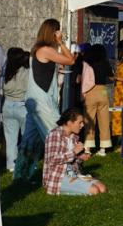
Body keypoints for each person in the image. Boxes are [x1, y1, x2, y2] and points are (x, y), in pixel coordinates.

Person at [16, 19, 78, 183]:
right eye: (58, 31)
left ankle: (21, 176)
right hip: (41, 101)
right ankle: (66, 174)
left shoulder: (38, 49)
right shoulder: (45, 50)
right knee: (58, 135)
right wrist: (61, 42)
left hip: (34, 99)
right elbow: (71, 60)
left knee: (30, 140)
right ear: (53, 32)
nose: (60, 33)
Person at [42, 107, 105, 196]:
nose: (82, 125)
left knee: (102, 188)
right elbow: (52, 160)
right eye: (80, 122)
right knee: (94, 191)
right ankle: (58, 190)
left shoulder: (74, 137)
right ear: (69, 122)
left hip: (73, 174)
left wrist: (80, 157)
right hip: (58, 176)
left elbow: (72, 160)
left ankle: (74, 187)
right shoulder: (55, 135)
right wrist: (74, 152)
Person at [75, 44, 114, 157]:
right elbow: (111, 77)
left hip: (90, 92)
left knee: (89, 120)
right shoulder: (105, 62)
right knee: (104, 120)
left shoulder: (87, 63)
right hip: (103, 91)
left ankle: (88, 148)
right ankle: (103, 148)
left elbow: (81, 79)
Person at [0, 47, 30, 174]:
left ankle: (11, 164)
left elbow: (1, 89)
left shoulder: (6, 72)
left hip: (7, 105)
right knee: (26, 137)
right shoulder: (26, 71)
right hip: (22, 105)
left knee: (10, 138)